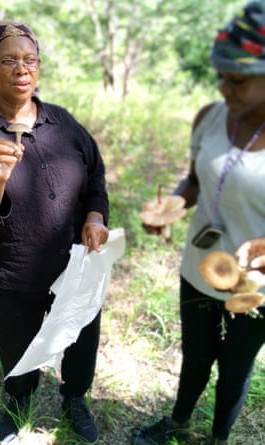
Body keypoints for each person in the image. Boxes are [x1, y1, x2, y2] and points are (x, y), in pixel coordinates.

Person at [0, 20, 109, 445]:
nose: (21, 69)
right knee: (17, 347)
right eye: (8, 60)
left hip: (73, 263)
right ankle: (19, 399)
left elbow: (95, 176)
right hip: (9, 272)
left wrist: (95, 217)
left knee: (79, 336)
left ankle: (74, 397)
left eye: (29, 60)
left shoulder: (64, 123)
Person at [134, 2, 265, 444]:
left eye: (239, 80)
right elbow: (194, 178)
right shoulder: (210, 116)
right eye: (222, 77)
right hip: (198, 265)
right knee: (195, 356)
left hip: (254, 286)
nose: (226, 88)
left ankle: (219, 439)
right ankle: (176, 424)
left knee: (235, 367)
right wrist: (174, 203)